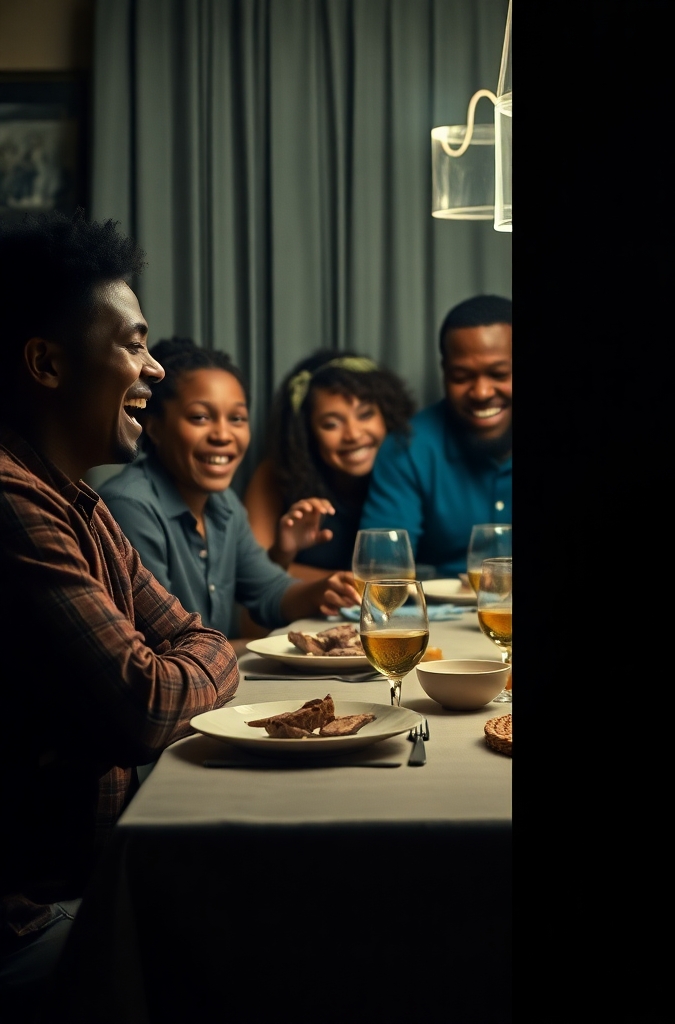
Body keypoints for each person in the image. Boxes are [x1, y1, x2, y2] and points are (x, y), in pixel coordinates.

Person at [0, 212, 239, 1014]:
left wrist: (193, 659)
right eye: (134, 344)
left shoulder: (78, 501)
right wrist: (196, 662)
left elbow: (200, 639)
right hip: (26, 923)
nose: (156, 370)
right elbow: (144, 706)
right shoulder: (11, 505)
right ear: (46, 363)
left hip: (87, 882)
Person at [98, 338, 362, 655]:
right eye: (200, 417)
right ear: (154, 428)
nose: (223, 435)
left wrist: (323, 591)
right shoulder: (129, 506)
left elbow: (271, 593)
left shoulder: (223, 505)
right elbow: (165, 646)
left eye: (236, 418)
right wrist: (264, 648)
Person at [358, 295, 512, 577]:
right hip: (444, 615)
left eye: (499, 374)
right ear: (444, 373)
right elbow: (381, 574)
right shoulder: (406, 447)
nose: (481, 392)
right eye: (461, 377)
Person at [244, 349, 415, 581]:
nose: (353, 434)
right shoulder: (274, 474)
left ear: (387, 415)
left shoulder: (410, 470)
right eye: (332, 424)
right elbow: (253, 574)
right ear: (307, 433)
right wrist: (350, 583)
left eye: (365, 415)